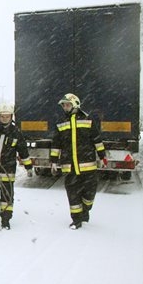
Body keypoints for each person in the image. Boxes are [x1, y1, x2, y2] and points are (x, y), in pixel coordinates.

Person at [50, 93, 107, 230]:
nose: (65, 107)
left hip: (88, 166)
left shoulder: (88, 120)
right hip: (69, 167)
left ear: (75, 104)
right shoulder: (61, 123)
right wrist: (53, 161)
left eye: (67, 104)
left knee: (89, 194)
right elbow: (56, 144)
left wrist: (102, 156)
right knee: (73, 194)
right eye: (63, 105)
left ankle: (85, 209)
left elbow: (97, 140)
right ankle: (76, 220)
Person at [0, 103, 33, 230]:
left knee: (7, 198)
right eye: (2, 116)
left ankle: (5, 220)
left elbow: (23, 151)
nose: (4, 118)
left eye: (7, 116)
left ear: (11, 116)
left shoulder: (16, 132)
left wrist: (28, 166)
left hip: (7, 172)